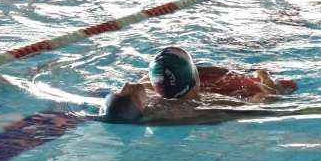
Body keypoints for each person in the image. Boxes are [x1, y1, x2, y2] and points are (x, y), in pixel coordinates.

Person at [101, 46, 298, 124]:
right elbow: (266, 101)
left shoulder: (146, 90)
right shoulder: (210, 107)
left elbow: (128, 93)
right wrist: (264, 77)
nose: (126, 85)